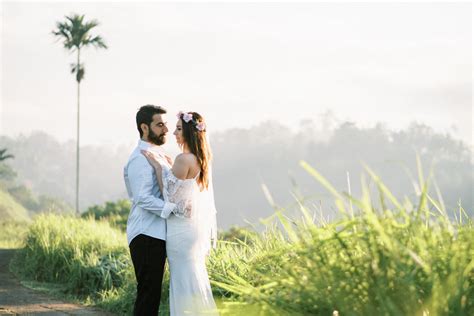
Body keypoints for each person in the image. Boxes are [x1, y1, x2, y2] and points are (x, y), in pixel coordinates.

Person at [142, 110, 218, 316]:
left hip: (179, 231)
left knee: (182, 281)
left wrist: (159, 167)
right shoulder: (200, 159)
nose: (173, 133)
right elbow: (183, 191)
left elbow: (168, 197)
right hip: (191, 230)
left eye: (178, 129)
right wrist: (168, 165)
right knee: (193, 277)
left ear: (189, 133)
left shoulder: (183, 159)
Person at [124, 105, 182, 315]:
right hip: (146, 233)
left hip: (157, 233)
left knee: (152, 294)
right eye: (159, 125)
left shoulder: (158, 154)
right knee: (148, 293)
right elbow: (141, 197)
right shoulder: (140, 158)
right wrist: (171, 209)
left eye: (165, 124)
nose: (165, 129)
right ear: (144, 128)